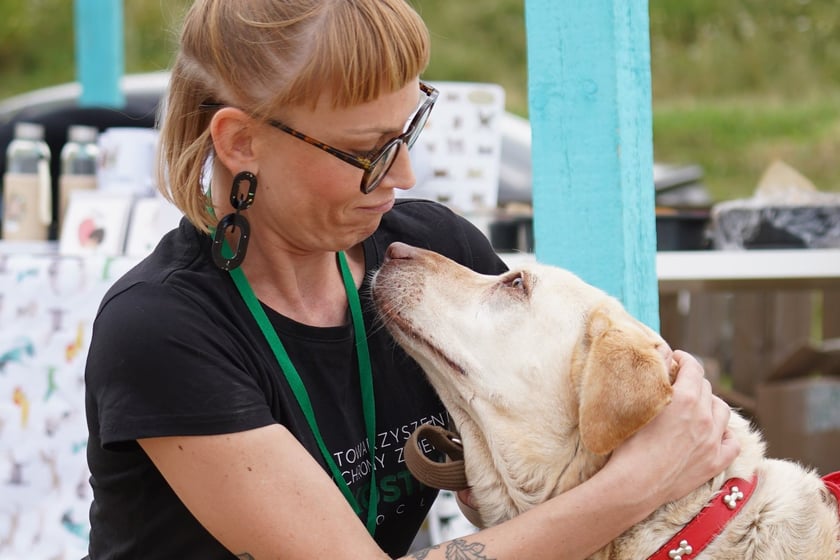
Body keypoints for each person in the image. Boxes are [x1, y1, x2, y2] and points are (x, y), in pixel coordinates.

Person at [83, 1, 739, 558]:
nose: (404, 178)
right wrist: (637, 484)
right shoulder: (160, 331)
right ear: (240, 143)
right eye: (368, 151)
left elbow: (573, 468)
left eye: (409, 129)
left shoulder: (425, 250)